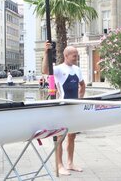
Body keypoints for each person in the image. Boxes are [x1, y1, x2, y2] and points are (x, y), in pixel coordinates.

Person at [42, 42, 86, 175]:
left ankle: (70, 163)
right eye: (74, 56)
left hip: (74, 108)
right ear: (66, 55)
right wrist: (45, 52)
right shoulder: (59, 69)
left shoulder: (77, 69)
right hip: (62, 108)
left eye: (77, 56)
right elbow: (45, 71)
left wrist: (80, 98)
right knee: (60, 137)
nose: (76, 58)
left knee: (72, 136)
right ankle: (60, 165)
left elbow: (82, 85)